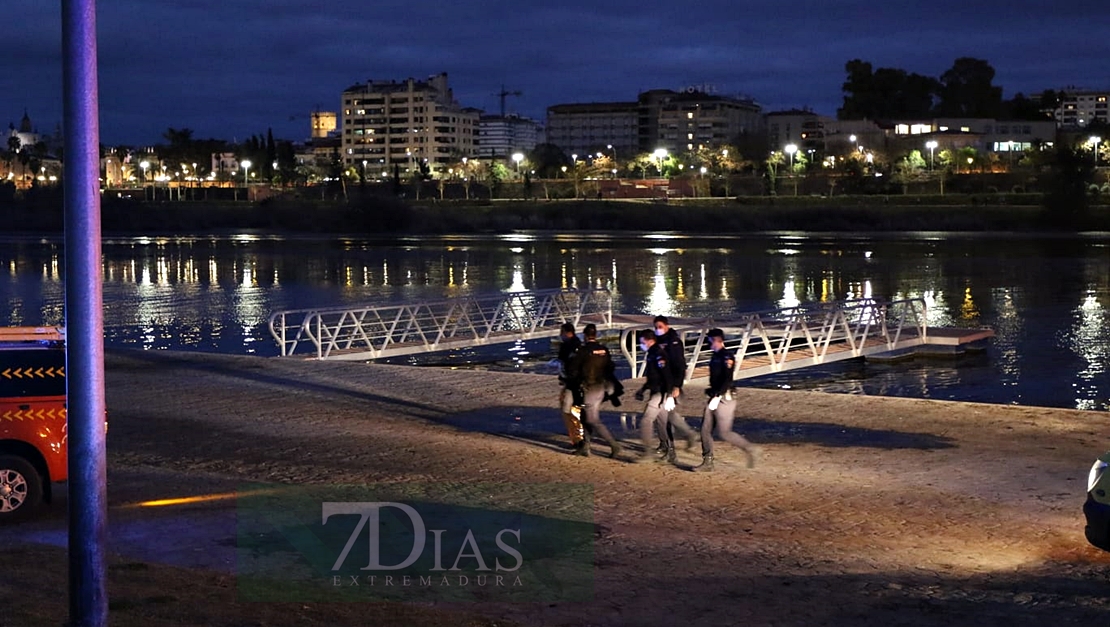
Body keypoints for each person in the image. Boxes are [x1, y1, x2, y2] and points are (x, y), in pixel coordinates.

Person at [694, 328, 759, 472]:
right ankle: (707, 461)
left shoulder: (726, 356)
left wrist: (717, 396)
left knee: (724, 432)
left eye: (710, 341)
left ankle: (749, 449)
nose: (708, 344)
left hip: (725, 398)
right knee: (705, 430)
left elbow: (727, 379)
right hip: (714, 397)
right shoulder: (715, 356)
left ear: (717, 340)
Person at [567, 323, 623, 459]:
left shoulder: (583, 350)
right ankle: (586, 446)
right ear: (595, 335)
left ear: (585, 336)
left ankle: (614, 445)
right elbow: (610, 367)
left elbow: (573, 369)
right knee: (585, 417)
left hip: (589, 388)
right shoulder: (603, 349)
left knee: (592, 419)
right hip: (601, 387)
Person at [652, 315, 699, 451]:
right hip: (660, 382)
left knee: (662, 414)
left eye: (660, 327)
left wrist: (677, 385)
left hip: (670, 382)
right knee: (666, 414)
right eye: (656, 327)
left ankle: (667, 443)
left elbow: (680, 365)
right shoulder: (657, 341)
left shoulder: (674, 342)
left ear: (667, 326)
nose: (657, 330)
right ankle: (686, 435)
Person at [633, 329, 677, 463]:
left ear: (649, 340)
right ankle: (669, 450)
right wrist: (643, 389)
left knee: (646, 421)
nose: (641, 344)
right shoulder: (653, 353)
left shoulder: (658, 354)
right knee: (662, 423)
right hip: (658, 392)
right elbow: (653, 376)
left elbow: (667, 375)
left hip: (660, 393)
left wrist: (669, 395)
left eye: (642, 341)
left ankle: (648, 453)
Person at [556, 322, 586, 455]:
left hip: (573, 384)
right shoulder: (575, 345)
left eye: (561, 332)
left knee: (570, 410)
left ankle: (579, 440)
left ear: (567, 333)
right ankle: (578, 439)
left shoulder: (571, 347)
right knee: (569, 409)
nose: (560, 335)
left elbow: (570, 366)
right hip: (573, 383)